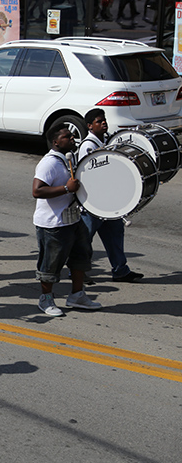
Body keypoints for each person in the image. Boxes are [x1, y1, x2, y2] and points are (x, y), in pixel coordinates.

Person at [32, 126, 102, 316]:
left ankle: (77, 295)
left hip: (72, 220)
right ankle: (45, 299)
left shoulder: (67, 158)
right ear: (56, 142)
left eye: (72, 135)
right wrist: (65, 188)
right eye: (66, 137)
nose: (72, 138)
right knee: (51, 265)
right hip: (52, 224)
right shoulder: (49, 164)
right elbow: (37, 191)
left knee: (80, 258)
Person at [77, 108, 143, 283]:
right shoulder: (88, 146)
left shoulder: (108, 140)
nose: (103, 123)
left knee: (115, 236)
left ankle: (120, 270)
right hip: (93, 204)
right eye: (99, 121)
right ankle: (78, 272)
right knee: (84, 241)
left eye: (104, 119)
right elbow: (87, 175)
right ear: (90, 126)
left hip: (109, 202)